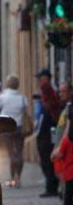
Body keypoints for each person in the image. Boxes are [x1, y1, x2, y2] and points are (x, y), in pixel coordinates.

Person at [0, 75, 29, 188]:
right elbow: (26, 111)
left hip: (6, 128)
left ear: (7, 84)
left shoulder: (3, 96)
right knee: (19, 153)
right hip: (18, 127)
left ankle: (12, 178)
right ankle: (18, 177)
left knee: (11, 154)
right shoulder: (22, 97)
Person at [35, 69, 60, 197]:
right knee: (46, 159)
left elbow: (51, 108)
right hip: (45, 130)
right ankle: (51, 186)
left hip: (48, 131)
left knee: (47, 159)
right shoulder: (47, 91)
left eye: (42, 78)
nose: (40, 82)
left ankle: (52, 187)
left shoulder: (47, 90)